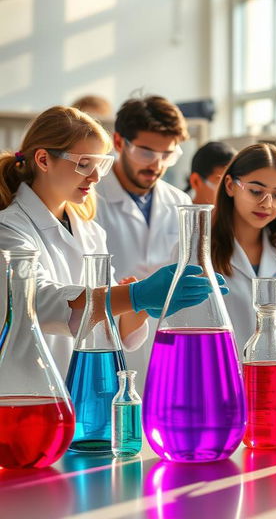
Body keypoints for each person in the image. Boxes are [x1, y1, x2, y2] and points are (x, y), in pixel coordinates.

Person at [0, 106, 213, 374]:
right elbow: (38, 303)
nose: (97, 176)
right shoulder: (8, 229)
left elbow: (111, 321)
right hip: (28, 389)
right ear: (43, 160)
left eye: (101, 164)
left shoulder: (89, 231)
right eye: (84, 164)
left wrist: (144, 304)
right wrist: (134, 295)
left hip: (83, 386)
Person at [94, 95, 193, 382]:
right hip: (106, 350)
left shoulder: (179, 202)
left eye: (168, 155)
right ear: (119, 142)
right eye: (146, 152)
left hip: (164, 354)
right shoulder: (90, 197)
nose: (157, 164)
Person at [211, 143, 276, 395]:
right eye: (255, 191)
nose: (266, 203)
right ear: (230, 185)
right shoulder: (199, 253)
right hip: (221, 386)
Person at [188, 141, 236, 205]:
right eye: (222, 183)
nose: (231, 191)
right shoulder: (178, 214)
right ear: (196, 182)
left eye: (235, 183)